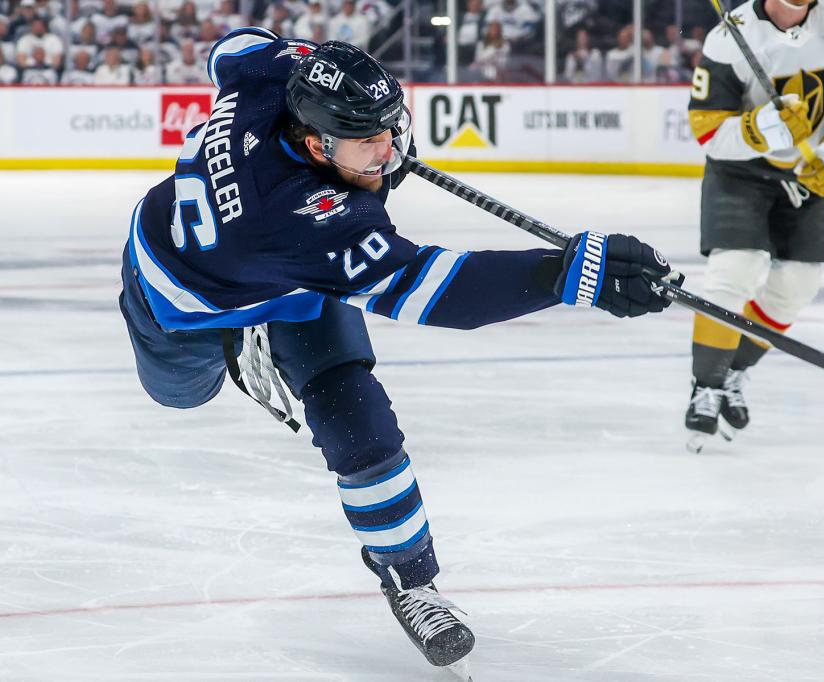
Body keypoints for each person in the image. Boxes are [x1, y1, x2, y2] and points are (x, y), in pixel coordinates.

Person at [119, 28, 672, 672]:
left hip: (294, 280)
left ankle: (411, 580)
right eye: (367, 141)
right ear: (312, 142)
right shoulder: (303, 215)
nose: (387, 151)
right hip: (184, 298)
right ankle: (245, 351)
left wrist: (348, 103)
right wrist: (568, 275)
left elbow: (236, 46)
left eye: (390, 129)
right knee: (182, 396)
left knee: (358, 420)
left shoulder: (279, 78)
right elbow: (442, 295)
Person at [685, 0, 824, 452]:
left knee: (798, 284)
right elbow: (707, 129)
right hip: (740, 173)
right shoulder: (729, 38)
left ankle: (734, 370)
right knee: (733, 270)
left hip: (807, 174)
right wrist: (760, 130)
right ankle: (706, 385)